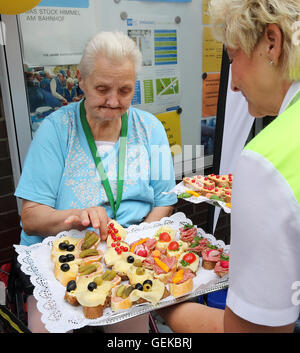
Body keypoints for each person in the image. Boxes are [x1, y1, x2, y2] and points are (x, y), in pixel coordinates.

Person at [14, 31, 177, 333]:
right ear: (81, 79)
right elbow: (31, 217)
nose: (114, 102)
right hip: (65, 260)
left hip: (127, 254)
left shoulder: (150, 129)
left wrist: (138, 245)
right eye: (102, 88)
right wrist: (73, 217)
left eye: (125, 90)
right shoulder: (55, 131)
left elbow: (163, 199)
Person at [159, 0, 300, 333]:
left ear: (272, 42)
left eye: (232, 56)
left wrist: (162, 298)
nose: (233, 83)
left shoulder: (266, 159)